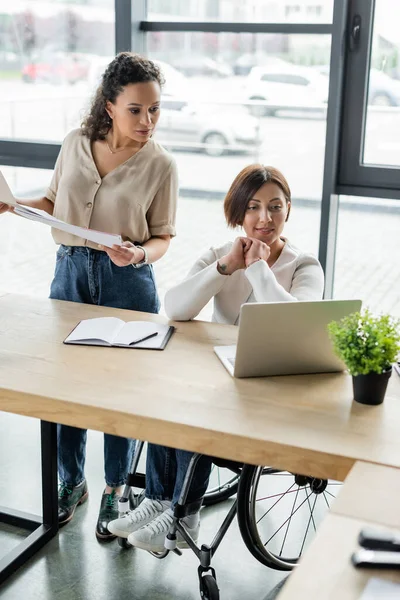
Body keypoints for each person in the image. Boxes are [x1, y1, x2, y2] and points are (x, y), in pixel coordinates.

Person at [0, 52, 178, 540]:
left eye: (156, 110)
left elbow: (162, 236)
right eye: (137, 109)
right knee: (64, 393)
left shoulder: (161, 163)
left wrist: (139, 255)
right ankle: (71, 482)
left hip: (128, 284)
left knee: (120, 396)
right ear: (109, 106)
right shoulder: (75, 143)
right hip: (70, 276)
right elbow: (54, 203)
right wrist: (14, 207)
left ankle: (115, 491)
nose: (148, 120)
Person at [107, 164, 324, 552]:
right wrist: (225, 268)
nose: (264, 218)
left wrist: (258, 270)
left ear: (288, 209)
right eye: (254, 207)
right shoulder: (218, 255)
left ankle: (183, 513)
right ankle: (159, 500)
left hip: (274, 389)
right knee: (170, 394)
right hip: (221, 376)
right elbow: (175, 308)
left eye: (275, 207)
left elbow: (292, 324)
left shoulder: (304, 265)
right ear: (238, 213)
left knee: (199, 406)